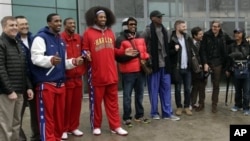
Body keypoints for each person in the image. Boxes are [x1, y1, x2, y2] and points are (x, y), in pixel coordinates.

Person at [82, 6, 138, 136]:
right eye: (100, 17)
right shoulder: (88, 33)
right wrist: (86, 54)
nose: (103, 19)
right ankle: (96, 125)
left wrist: (124, 52)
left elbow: (113, 51)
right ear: (95, 18)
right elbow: (84, 49)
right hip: (97, 76)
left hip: (111, 75)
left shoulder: (110, 33)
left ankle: (116, 126)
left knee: (113, 104)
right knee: (96, 104)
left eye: (105, 17)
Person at [30, 13, 83, 141]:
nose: (59, 23)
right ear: (49, 23)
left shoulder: (60, 40)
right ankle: (48, 139)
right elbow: (35, 58)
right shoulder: (40, 38)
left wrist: (74, 62)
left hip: (61, 84)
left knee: (59, 117)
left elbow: (63, 62)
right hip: (47, 84)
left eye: (60, 21)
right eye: (56, 21)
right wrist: (50, 60)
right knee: (47, 117)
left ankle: (56, 137)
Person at [141, 10, 180, 121]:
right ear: (152, 18)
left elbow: (169, 46)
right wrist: (146, 59)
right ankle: (154, 113)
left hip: (165, 65)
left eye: (161, 16)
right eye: (158, 17)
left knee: (166, 89)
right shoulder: (147, 31)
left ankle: (167, 113)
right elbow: (141, 47)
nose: (160, 18)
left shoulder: (165, 30)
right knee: (153, 90)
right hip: (154, 65)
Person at [0, 16, 34, 141]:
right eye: (11, 25)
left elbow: (23, 68)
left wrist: (29, 87)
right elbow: (1, 69)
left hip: (20, 91)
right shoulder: (1, 43)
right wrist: (9, 90)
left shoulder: (17, 43)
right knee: (5, 126)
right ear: (4, 27)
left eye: (15, 25)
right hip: (6, 93)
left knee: (16, 124)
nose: (14, 28)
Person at [115, 17, 150, 127]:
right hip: (128, 72)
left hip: (140, 71)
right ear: (125, 25)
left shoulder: (141, 37)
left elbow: (145, 52)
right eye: (131, 24)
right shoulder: (120, 39)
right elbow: (117, 57)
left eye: (134, 24)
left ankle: (139, 115)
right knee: (127, 96)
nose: (133, 26)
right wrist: (129, 56)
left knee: (139, 95)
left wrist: (145, 56)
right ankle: (126, 117)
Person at [15, 15, 41, 141]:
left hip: (35, 82)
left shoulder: (34, 38)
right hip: (20, 83)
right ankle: (20, 138)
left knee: (36, 113)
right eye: (22, 24)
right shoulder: (13, 41)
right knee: (17, 115)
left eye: (26, 23)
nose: (25, 26)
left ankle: (36, 136)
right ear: (16, 26)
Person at [60, 17, 86, 139]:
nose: (72, 25)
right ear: (65, 25)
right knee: (66, 106)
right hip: (67, 78)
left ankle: (73, 127)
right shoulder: (60, 38)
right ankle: (64, 129)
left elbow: (84, 52)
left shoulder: (79, 38)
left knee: (76, 105)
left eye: (74, 23)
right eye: (70, 23)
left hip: (78, 77)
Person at [200, 20, 233, 113]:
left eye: (216, 26)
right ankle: (201, 103)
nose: (214, 28)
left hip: (218, 62)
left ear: (219, 27)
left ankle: (214, 105)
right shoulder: (206, 35)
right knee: (202, 84)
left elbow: (232, 42)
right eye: (213, 26)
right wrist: (205, 63)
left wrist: (245, 39)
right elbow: (203, 50)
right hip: (208, 62)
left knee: (216, 85)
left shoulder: (223, 36)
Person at [169, 20, 192, 116]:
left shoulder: (187, 38)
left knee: (187, 88)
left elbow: (192, 51)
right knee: (177, 89)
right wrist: (174, 49)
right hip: (177, 68)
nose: (185, 28)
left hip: (187, 67)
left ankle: (186, 106)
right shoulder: (171, 39)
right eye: (183, 26)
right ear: (177, 27)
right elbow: (169, 53)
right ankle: (179, 106)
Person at [226, 28, 250, 115]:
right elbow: (228, 59)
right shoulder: (231, 46)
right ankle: (237, 105)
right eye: (235, 33)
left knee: (246, 91)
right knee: (238, 90)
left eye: (239, 33)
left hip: (246, 70)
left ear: (242, 34)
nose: (236, 34)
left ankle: (246, 107)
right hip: (235, 70)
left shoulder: (247, 45)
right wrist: (228, 69)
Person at [189, 26, 207, 112]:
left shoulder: (203, 43)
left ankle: (201, 104)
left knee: (202, 87)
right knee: (195, 86)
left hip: (203, 68)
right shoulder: (189, 43)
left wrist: (205, 64)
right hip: (193, 69)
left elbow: (205, 55)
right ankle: (192, 103)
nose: (202, 35)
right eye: (200, 34)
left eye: (202, 33)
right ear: (194, 35)